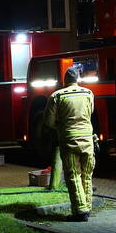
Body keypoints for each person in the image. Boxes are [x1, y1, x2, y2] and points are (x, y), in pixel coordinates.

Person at [42, 67, 96, 221]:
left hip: (69, 139)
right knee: (87, 175)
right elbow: (90, 112)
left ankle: (80, 211)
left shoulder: (57, 96)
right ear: (78, 79)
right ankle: (87, 206)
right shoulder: (88, 93)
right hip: (87, 139)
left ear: (64, 80)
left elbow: (48, 121)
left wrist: (60, 126)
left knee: (73, 175)